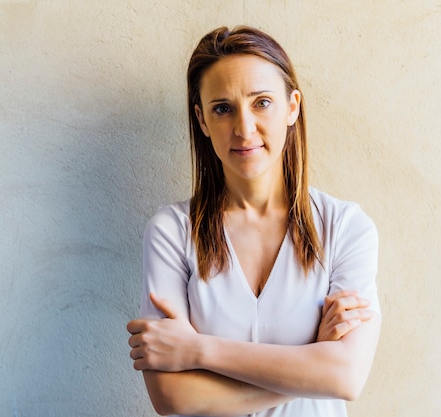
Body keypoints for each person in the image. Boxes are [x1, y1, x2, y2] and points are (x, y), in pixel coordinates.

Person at [127, 25, 381, 417]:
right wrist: (310, 361)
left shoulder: (346, 228)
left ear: (292, 106)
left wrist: (197, 349)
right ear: (201, 120)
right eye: (222, 108)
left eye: (261, 102)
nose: (244, 128)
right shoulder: (171, 232)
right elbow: (171, 398)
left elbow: (346, 377)